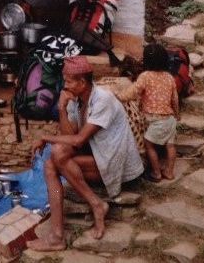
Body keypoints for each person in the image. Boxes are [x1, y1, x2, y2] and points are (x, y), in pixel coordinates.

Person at [26, 55, 143, 253]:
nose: (65, 85)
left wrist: (46, 138)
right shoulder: (76, 99)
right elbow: (69, 135)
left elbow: (79, 140)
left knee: (55, 153)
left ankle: (96, 205)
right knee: (51, 162)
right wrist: (62, 109)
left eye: (68, 81)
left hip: (115, 163)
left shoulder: (103, 100)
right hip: (96, 158)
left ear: (82, 82)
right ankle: (57, 235)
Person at [118, 42, 179, 182]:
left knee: (148, 144)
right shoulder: (169, 77)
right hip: (169, 118)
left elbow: (133, 92)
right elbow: (174, 99)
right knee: (170, 145)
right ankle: (169, 172)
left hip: (155, 119)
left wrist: (119, 97)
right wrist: (177, 114)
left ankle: (156, 173)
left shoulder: (145, 76)